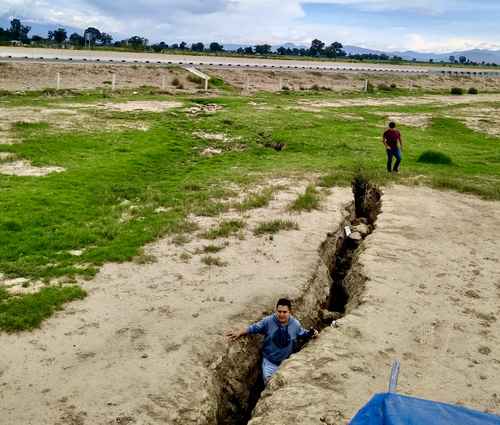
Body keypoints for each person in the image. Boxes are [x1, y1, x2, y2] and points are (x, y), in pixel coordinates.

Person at [227, 298, 318, 384]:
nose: (281, 314)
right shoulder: (268, 321)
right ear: (276, 311)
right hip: (269, 363)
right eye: (279, 311)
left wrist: (313, 333)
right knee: (269, 384)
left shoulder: (295, 324)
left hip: (287, 364)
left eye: (284, 312)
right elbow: (253, 328)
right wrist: (239, 332)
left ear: (290, 312)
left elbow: (303, 333)